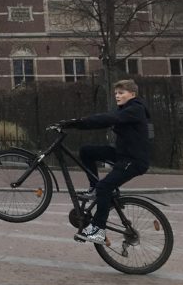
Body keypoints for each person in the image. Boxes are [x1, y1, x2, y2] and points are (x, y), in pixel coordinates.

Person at [63, 79, 151, 245]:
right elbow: (105, 120)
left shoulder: (136, 109)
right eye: (116, 93)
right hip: (122, 154)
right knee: (86, 151)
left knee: (105, 187)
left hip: (134, 160)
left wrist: (79, 123)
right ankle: (94, 187)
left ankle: (98, 231)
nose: (117, 96)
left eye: (121, 93)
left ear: (132, 94)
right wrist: (76, 124)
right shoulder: (125, 109)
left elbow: (109, 118)